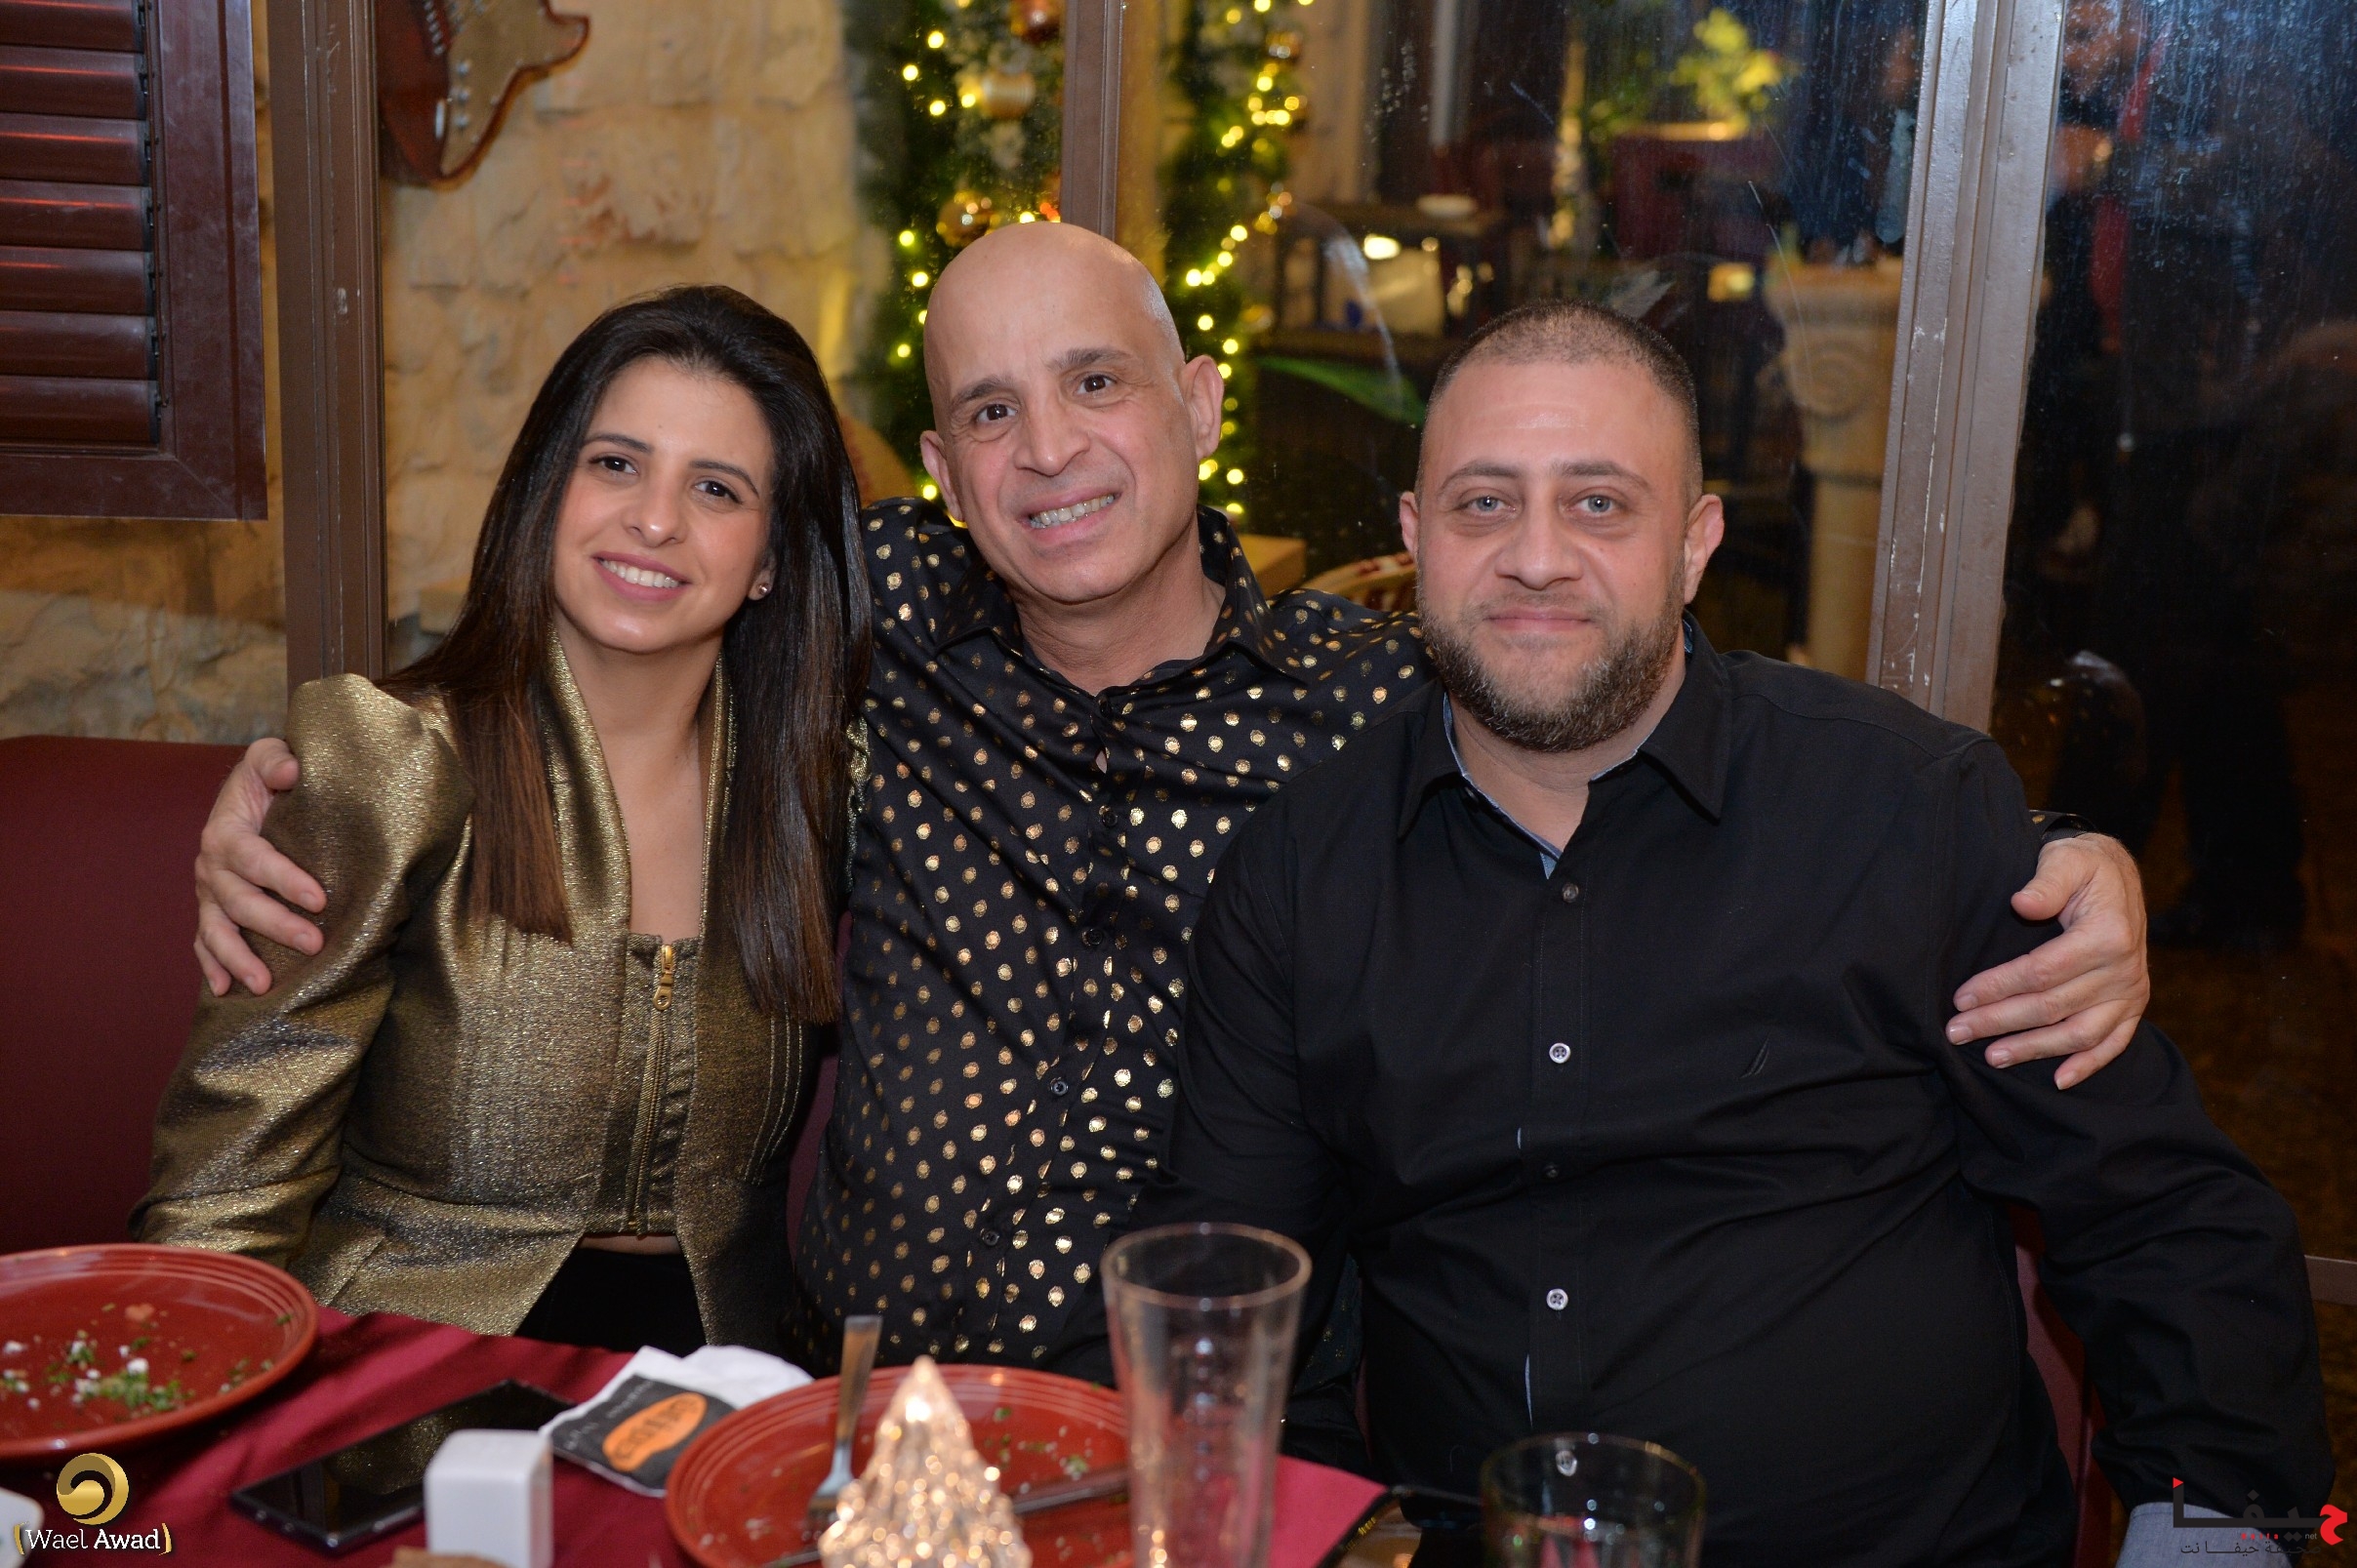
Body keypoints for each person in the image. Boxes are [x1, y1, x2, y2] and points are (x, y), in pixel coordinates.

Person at [188, 225, 2150, 1393]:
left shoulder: (1376, 698)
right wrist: (317, 768)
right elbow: (622, 584)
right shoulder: (869, 635)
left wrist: (2046, 862)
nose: (1048, 451)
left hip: (1206, 1420)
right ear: (940, 465)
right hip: (858, 1407)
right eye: (988, 411)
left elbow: (1623, 673)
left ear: (1200, 403)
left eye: (1097, 386)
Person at [1055, 300, 2330, 1563]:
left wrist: (2210, 1535)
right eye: (1483, 502)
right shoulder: (1302, 872)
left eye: (1599, 503)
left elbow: (2171, 1221)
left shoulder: (1903, 815)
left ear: (1694, 542)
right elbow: (1225, 1296)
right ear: (1414, 534)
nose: (1536, 556)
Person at [139, 287, 871, 1354]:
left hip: (724, 1388)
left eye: (716, 488)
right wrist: (186, 1421)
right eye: (615, 463)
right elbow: (229, 1185)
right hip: (409, 1371)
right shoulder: (394, 762)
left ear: (770, 560)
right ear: (546, 488)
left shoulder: (823, 791)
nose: (654, 519)